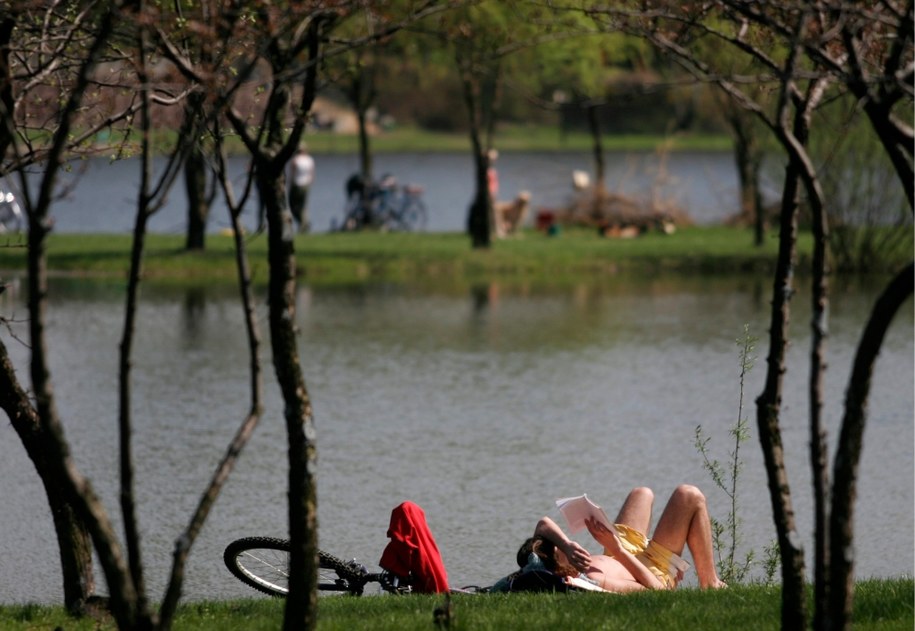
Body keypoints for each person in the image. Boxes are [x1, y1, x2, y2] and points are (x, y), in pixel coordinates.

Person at [527, 485, 728, 593]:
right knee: (689, 495)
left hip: (617, 550)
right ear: (559, 564)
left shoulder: (574, 560)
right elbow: (655, 591)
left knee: (641, 493)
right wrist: (618, 549)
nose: (560, 542)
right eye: (557, 548)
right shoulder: (593, 579)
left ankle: (648, 542)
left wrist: (567, 546)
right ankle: (710, 582)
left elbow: (543, 524)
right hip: (651, 567)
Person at [288, 145, 315, 233]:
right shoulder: (309, 160)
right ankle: (304, 224)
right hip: (306, 185)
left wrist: (290, 185)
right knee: (303, 206)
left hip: (297, 185)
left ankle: (303, 224)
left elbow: (292, 174)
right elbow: (312, 174)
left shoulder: (295, 160)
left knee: (292, 206)